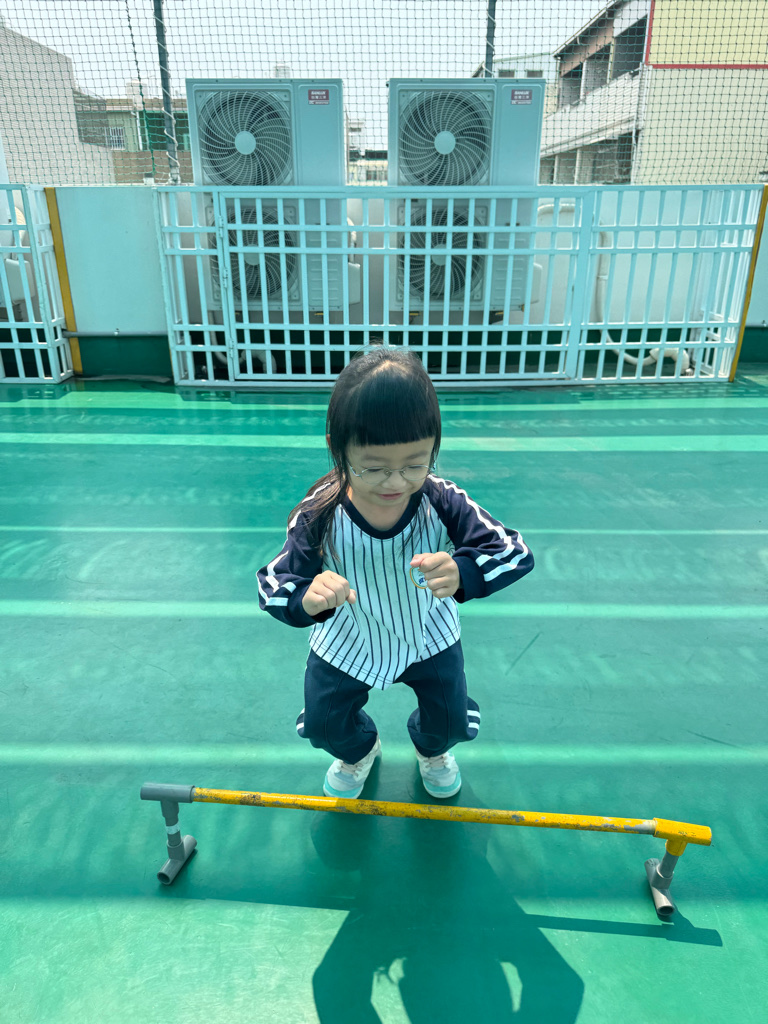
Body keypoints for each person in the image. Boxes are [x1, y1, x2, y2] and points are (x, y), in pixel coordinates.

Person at [257, 347, 534, 801]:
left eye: (414, 464)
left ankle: (432, 750)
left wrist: (463, 570)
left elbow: (512, 550)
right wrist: (307, 598)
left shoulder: (442, 500)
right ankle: (358, 750)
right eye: (374, 467)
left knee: (450, 720)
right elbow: (275, 584)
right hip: (348, 638)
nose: (395, 482)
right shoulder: (318, 515)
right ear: (337, 446)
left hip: (428, 633)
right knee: (324, 723)